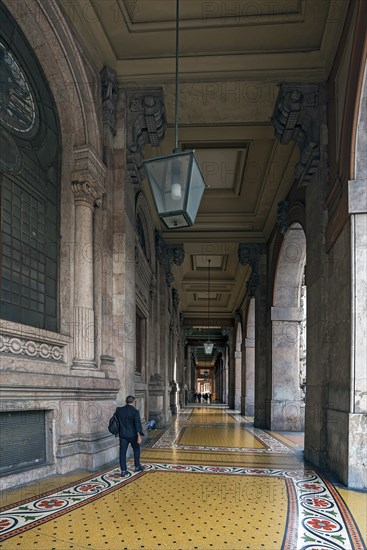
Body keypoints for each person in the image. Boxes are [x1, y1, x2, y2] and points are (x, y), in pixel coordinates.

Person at [115, 395, 145, 477]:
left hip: (123, 434)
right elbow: (137, 424)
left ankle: (123, 471)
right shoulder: (135, 411)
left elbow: (116, 421)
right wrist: (139, 436)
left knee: (122, 452)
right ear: (133, 402)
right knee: (136, 449)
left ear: (126, 401)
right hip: (133, 435)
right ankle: (137, 466)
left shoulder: (119, 410)